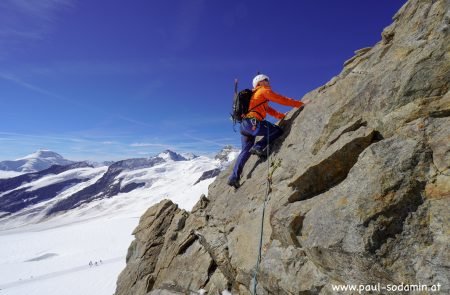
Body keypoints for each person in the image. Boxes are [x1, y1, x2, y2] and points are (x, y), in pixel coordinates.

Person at [227, 74, 310, 189]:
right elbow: (280, 99)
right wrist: (299, 104)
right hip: (253, 123)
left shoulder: (255, 97)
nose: (268, 81)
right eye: (265, 80)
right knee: (277, 131)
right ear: (259, 83)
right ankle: (259, 146)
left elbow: (269, 110)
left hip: (245, 126)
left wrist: (280, 116)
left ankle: (234, 177)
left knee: (245, 151)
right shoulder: (263, 90)